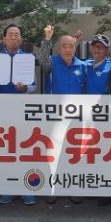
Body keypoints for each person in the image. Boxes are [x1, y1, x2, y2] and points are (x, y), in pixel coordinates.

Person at [36, 25, 87, 204]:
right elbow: (43, 60)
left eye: (71, 46)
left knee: (73, 154)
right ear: (58, 48)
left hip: (76, 119)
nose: (67, 49)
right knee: (53, 154)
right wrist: (47, 39)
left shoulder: (82, 66)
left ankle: (72, 187)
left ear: (75, 48)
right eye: (64, 46)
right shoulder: (52, 63)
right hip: (55, 118)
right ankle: (53, 188)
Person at [0, 24, 37, 206]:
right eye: (10, 35)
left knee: (24, 151)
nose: (14, 37)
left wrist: (25, 88)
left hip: (23, 111)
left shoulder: (27, 59)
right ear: (4, 38)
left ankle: (27, 189)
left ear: (21, 39)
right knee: (5, 152)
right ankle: (7, 188)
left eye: (17, 35)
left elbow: (33, 86)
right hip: (1, 112)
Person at [84, 33, 111, 207]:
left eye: (101, 47)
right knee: (91, 153)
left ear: (107, 50)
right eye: (95, 46)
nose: (97, 49)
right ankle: (93, 186)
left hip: (106, 118)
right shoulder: (85, 65)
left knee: (107, 154)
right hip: (86, 118)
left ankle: (107, 191)